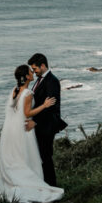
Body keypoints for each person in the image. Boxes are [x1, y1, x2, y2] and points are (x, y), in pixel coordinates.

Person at [0, 64, 64, 203]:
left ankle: (14, 182)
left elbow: (14, 111)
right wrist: (44, 105)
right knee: (26, 157)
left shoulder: (15, 90)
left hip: (12, 130)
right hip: (24, 130)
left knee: (17, 157)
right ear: (27, 77)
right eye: (30, 71)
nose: (33, 72)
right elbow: (27, 113)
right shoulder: (28, 93)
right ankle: (29, 184)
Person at [28, 52, 67, 186]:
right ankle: (44, 183)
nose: (34, 71)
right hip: (40, 124)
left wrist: (35, 121)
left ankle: (51, 186)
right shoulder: (40, 80)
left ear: (43, 66)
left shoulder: (52, 81)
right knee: (41, 156)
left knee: (45, 156)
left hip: (47, 124)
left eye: (35, 68)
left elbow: (51, 106)